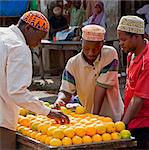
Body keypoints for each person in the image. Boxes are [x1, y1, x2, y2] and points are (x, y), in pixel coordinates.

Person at [0, 11, 69, 150]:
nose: (39, 43)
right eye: (40, 37)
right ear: (27, 28)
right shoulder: (19, 47)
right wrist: (47, 112)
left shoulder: (2, 34)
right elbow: (17, 92)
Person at [54, 24, 124, 122]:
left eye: (95, 49)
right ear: (82, 43)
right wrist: (60, 100)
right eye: (87, 48)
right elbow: (66, 91)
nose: (91, 53)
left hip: (112, 117)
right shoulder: (73, 63)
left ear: (102, 44)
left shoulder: (110, 54)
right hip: (88, 119)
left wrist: (94, 117)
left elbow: (101, 88)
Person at [117, 15, 149, 149]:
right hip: (133, 120)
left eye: (124, 39)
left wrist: (122, 124)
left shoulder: (147, 62)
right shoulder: (131, 55)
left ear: (137, 37)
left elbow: (139, 99)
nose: (121, 43)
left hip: (145, 123)